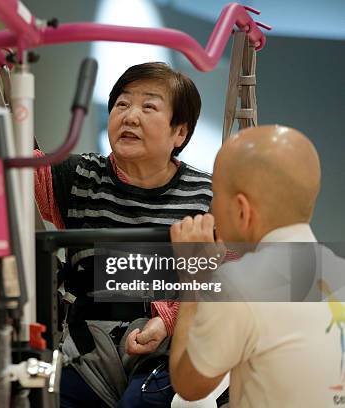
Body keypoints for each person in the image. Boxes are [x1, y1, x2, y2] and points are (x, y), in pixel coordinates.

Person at [33, 62, 212, 407]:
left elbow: (227, 280)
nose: (130, 116)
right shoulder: (80, 176)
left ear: (180, 133)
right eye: (122, 104)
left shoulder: (207, 195)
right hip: (86, 352)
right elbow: (15, 167)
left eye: (149, 107)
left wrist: (168, 320)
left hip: (166, 350)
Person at [169, 125, 342, 407]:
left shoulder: (239, 283)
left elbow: (189, 386)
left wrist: (193, 279)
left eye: (215, 195)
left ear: (241, 210)